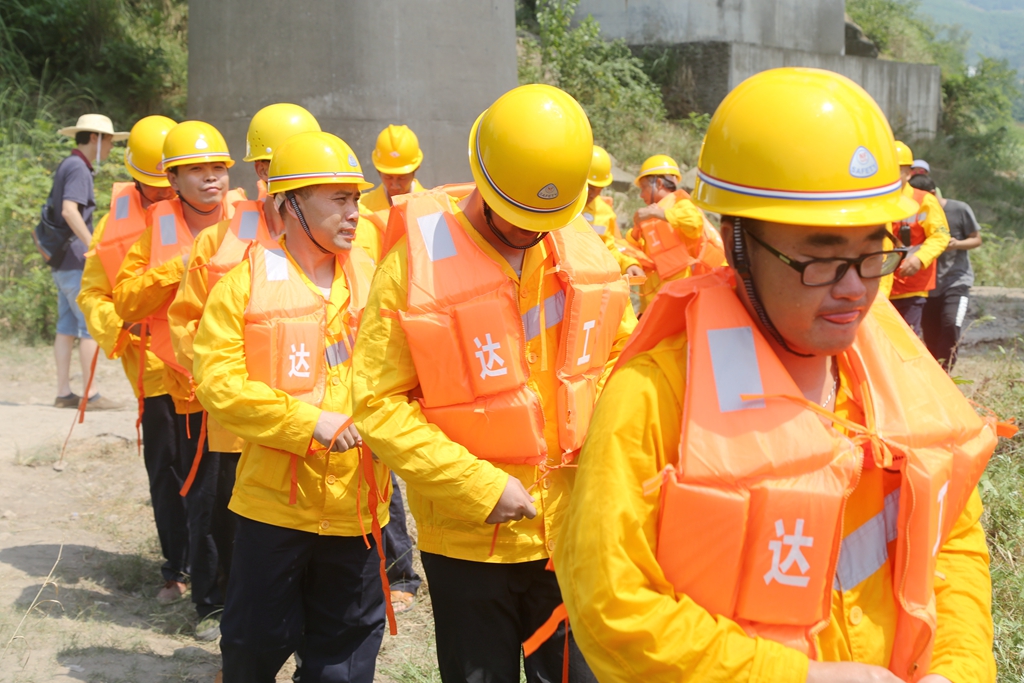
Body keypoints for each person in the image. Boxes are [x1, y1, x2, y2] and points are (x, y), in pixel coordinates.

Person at [555, 67, 1006, 683]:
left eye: (873, 251)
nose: (855, 289)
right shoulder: (656, 398)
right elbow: (613, 607)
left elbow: (950, 536)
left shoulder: (897, 369)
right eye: (820, 258)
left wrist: (957, 670)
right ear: (738, 243)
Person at [352, 84, 638, 683]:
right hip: (469, 542)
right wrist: (478, 487)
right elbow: (378, 405)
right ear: (483, 180)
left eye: (547, 221)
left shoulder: (583, 249)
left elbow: (621, 357)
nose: (533, 233)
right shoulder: (414, 267)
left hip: (572, 530)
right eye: (518, 219)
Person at [192, 131, 385, 683]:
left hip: (357, 509)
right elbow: (219, 385)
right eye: (340, 199)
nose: (356, 211)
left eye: (357, 198)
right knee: (253, 650)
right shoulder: (244, 285)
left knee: (344, 661)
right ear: (291, 203)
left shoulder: (377, 278)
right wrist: (309, 422)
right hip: (272, 508)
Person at [167, 104, 322, 598]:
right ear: (260, 170)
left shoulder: (343, 240)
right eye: (282, 165)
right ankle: (220, 610)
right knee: (231, 523)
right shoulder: (219, 241)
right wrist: (225, 382)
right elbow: (186, 321)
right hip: (239, 424)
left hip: (316, 419)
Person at [113, 120, 244, 639]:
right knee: (206, 501)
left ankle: (249, 598)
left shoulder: (251, 218)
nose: (210, 179)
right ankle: (210, 604)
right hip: (189, 390)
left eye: (217, 168)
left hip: (249, 387)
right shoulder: (159, 226)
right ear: (174, 179)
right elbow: (125, 300)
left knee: (249, 500)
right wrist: (181, 268)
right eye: (197, 171)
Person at [77, 114, 189, 604]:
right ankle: (176, 569)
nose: (162, 195)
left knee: (211, 476)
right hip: (153, 370)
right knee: (165, 469)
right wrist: (121, 329)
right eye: (152, 186)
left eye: (168, 184)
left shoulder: (208, 216)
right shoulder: (114, 222)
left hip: (206, 370)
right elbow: (92, 294)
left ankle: (218, 574)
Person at [47, 114, 127, 410]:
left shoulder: (69, 163)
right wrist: (96, 247)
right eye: (109, 141)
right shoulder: (79, 168)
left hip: (61, 261)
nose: (110, 148)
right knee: (88, 326)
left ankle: (64, 393)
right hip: (75, 261)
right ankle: (90, 394)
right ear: (95, 138)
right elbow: (70, 211)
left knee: (66, 326)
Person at [626, 154, 726, 313]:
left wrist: (657, 214)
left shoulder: (681, 205)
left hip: (680, 297)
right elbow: (633, 248)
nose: (641, 194)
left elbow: (694, 223)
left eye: (644, 187)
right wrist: (637, 231)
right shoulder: (649, 216)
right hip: (654, 301)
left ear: (658, 183)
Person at [911, 174, 982, 371]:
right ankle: (937, 373)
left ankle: (946, 370)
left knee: (951, 324)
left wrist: (957, 244)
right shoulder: (913, 213)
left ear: (932, 194)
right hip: (928, 284)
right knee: (931, 334)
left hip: (956, 281)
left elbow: (976, 239)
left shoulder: (959, 209)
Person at [886, 141, 950, 336]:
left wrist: (919, 259)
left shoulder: (924, 201)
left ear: (909, 173)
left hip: (911, 286)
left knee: (906, 338)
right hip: (877, 285)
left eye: (897, 170)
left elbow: (940, 235)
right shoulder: (870, 201)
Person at [358, 124, 427, 262]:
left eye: (401, 178)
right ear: (378, 171)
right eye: (388, 177)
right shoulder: (360, 207)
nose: (394, 184)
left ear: (416, 169)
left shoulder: (431, 209)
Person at [581, 145, 644, 281]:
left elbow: (609, 249)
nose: (593, 193)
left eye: (599, 188)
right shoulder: (557, 205)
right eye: (590, 187)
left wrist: (628, 265)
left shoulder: (605, 213)